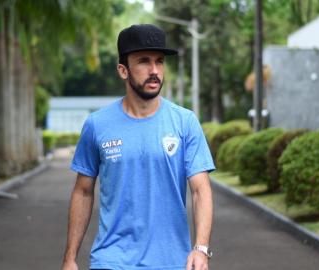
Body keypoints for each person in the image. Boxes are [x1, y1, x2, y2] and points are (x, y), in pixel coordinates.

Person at [61, 24, 215, 270]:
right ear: (123, 70)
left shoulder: (185, 122)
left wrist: (201, 248)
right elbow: (83, 191)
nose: (154, 71)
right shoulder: (97, 125)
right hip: (111, 260)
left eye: (160, 61)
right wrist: (69, 258)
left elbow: (200, 190)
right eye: (144, 61)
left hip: (173, 262)